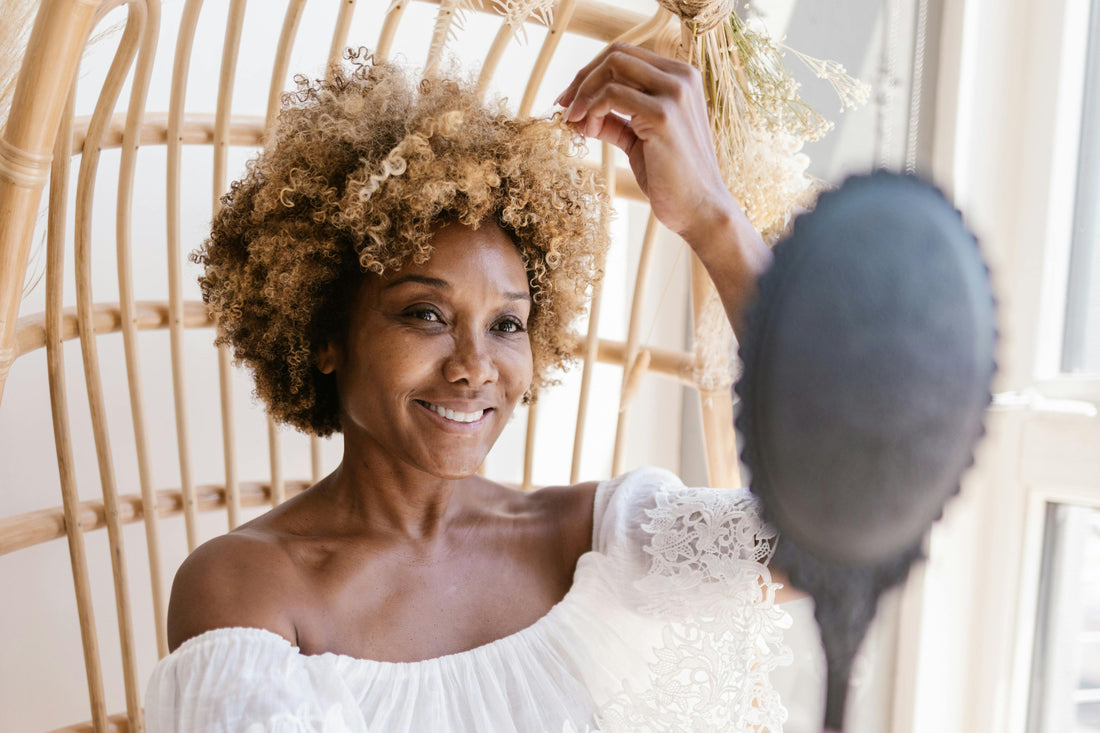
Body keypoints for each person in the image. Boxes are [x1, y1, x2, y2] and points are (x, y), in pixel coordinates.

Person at [145, 42, 798, 732]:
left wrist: (713, 218)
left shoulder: (588, 543)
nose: (475, 365)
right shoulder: (248, 589)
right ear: (325, 334)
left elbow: (843, 524)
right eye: (426, 313)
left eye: (507, 323)